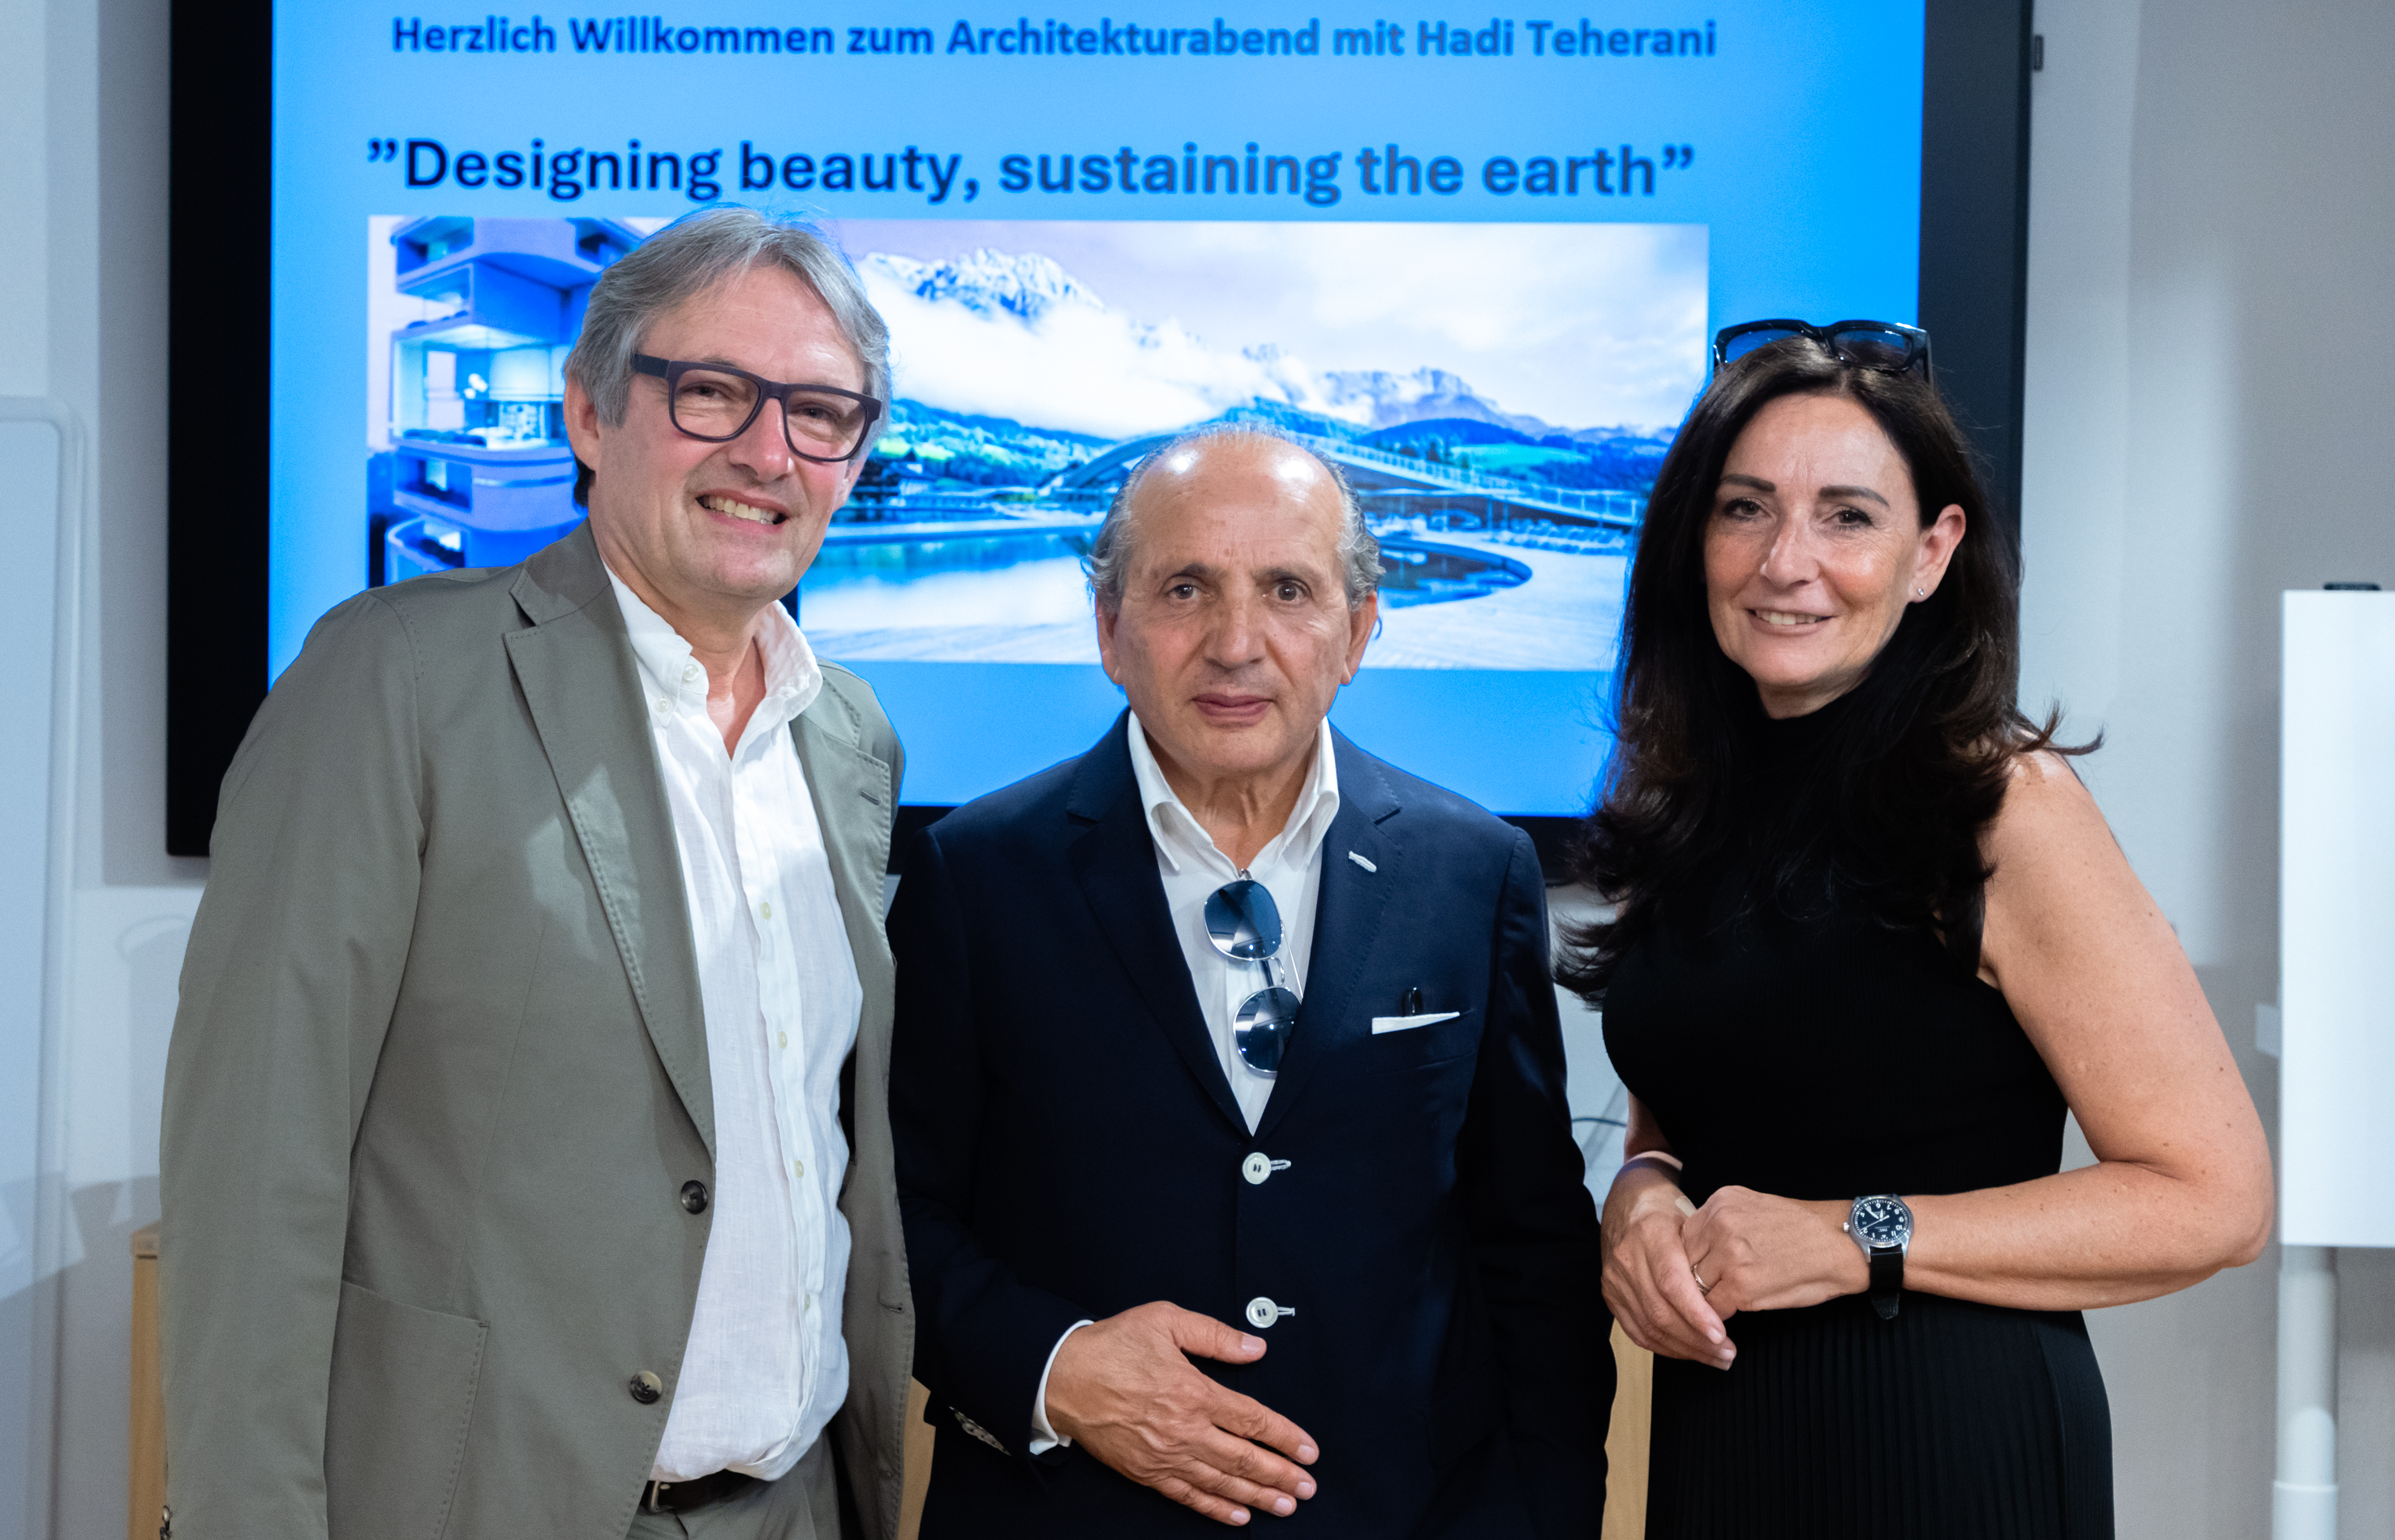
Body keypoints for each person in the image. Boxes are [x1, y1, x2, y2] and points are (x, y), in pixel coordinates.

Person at [160, 208, 915, 1540]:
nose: (767, 452)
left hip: (794, 1502)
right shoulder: (394, 680)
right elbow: (254, 1168)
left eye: (818, 412)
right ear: (589, 412)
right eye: (713, 392)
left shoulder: (846, 733)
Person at [1568, 320, 2276, 1538]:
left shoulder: (2003, 806)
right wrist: (1638, 1193)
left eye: (1846, 516)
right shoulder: (1688, 800)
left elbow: (2213, 1198)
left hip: (1951, 1448)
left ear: (1932, 551)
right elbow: (1696, 1110)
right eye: (1745, 509)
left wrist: (1855, 1235)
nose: (1785, 560)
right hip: (1723, 1440)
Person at [887, 427, 1610, 1537]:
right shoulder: (974, 875)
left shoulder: (1473, 871)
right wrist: (1054, 1365)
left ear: (1356, 631)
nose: (1236, 644)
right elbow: (891, 1213)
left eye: (1287, 590)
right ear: (1109, 628)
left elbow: (1531, 1248)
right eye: (1185, 589)